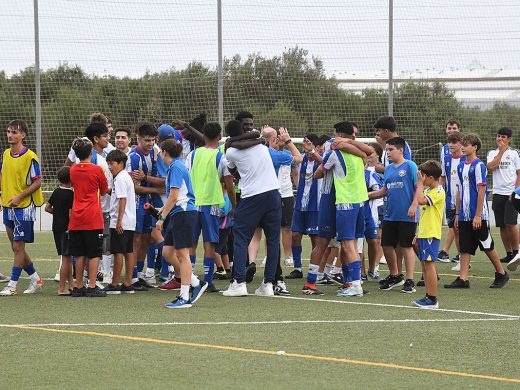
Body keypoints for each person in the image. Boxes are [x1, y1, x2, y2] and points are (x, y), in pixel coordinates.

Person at [222, 120, 282, 297]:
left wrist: (228, 144)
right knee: (272, 240)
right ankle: (268, 284)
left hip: (252, 196)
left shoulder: (231, 151)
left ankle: (239, 282)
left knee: (240, 237)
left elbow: (232, 170)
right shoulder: (262, 146)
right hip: (273, 194)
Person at [444, 134, 510, 289]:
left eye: (466, 145)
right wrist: (458, 214)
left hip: (477, 215)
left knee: (486, 244)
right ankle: (463, 278)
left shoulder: (479, 165)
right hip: (464, 216)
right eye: (463, 145)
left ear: (474, 147)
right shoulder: (461, 166)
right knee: (465, 246)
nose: (463, 147)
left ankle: (501, 273)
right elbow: (459, 190)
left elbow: (482, 191)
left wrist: (478, 215)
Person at [315, 125, 373, 297]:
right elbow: (368, 151)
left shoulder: (334, 152)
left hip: (345, 202)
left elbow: (319, 173)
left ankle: (355, 285)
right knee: (353, 244)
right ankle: (353, 282)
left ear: (338, 135)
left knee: (347, 245)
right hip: (360, 201)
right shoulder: (358, 156)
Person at [185, 122, 236, 293]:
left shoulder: (192, 155)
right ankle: (207, 281)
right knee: (210, 244)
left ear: (204, 136)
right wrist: (234, 206)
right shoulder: (221, 157)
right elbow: (229, 185)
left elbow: (185, 178)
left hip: (192, 204)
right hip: (211, 205)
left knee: (191, 243)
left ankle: (191, 280)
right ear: (220, 136)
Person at [156, 138, 207, 309]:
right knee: (167, 251)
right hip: (179, 212)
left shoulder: (176, 167)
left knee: (182, 255)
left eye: (160, 152)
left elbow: (174, 196)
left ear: (164, 152)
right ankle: (195, 282)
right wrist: (163, 208)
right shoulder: (175, 166)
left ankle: (184, 297)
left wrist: (162, 217)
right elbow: (175, 196)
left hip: (184, 213)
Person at [0, 120, 44, 296]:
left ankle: (12, 284)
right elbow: (3, 175)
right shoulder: (5, 154)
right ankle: (35, 278)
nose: (10, 135)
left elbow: (38, 181)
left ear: (23, 136)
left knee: (18, 246)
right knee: (16, 247)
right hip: (8, 206)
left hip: (23, 207)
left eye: (15, 132)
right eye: (9, 132)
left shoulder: (30, 157)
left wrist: (20, 196)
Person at [369, 137, 418, 293]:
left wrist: (414, 205)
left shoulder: (410, 166)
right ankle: (395, 275)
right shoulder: (388, 169)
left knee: (406, 246)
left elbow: (419, 188)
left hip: (407, 215)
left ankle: (410, 280)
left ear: (400, 150)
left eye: (390, 150)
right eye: (387, 150)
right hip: (390, 214)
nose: (388, 153)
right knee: (386, 245)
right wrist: (368, 195)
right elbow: (385, 190)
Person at [68, 137, 109, 297]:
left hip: (77, 218)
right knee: (94, 253)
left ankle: (78, 286)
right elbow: (104, 190)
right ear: (90, 152)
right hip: (93, 217)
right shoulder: (97, 169)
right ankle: (92, 285)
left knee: (79, 254)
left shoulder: (73, 170)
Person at [127, 122, 163, 288]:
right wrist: (155, 188)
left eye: (152, 140)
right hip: (136, 202)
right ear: (138, 139)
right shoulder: (134, 157)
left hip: (148, 201)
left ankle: (140, 274)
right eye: (147, 140)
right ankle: (133, 276)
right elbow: (135, 187)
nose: (150, 144)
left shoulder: (154, 153)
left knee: (147, 239)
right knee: (137, 239)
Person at [287, 133, 322, 279]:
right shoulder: (302, 158)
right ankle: (297, 268)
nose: (305, 145)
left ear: (316, 145)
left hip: (316, 205)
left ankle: (315, 270)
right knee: (295, 235)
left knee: (315, 238)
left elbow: (324, 165)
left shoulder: (322, 158)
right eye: (304, 142)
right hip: (301, 203)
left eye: (308, 142)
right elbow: (294, 166)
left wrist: (313, 152)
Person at [413, 161, 445, 308]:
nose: (421, 178)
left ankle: (432, 299)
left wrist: (419, 184)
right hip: (424, 232)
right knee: (425, 264)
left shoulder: (438, 191)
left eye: (423, 176)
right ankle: (428, 295)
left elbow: (419, 200)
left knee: (429, 264)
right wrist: (419, 233)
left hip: (432, 233)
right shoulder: (428, 191)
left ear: (431, 178)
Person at [104, 150, 137, 294]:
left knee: (117, 251)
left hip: (121, 221)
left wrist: (119, 221)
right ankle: (128, 282)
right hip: (130, 221)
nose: (110, 167)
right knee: (128, 251)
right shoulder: (125, 177)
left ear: (121, 164)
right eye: (108, 164)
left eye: (112, 164)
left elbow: (122, 199)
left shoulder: (120, 178)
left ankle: (115, 283)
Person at [486, 127, 520, 264]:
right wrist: (500, 152)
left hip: (511, 193)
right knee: (501, 225)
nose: (500, 139)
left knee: (510, 223)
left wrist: (516, 191)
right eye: (498, 136)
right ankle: (509, 253)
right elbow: (490, 167)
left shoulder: (515, 153)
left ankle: (517, 252)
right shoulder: (492, 153)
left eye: (503, 137)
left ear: (509, 139)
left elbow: (519, 173)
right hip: (498, 193)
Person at [45, 166, 74, 295]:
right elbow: (70, 215)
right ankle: (62, 288)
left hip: (56, 228)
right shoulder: (71, 194)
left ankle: (71, 285)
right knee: (66, 258)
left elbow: (47, 207)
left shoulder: (56, 191)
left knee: (66, 256)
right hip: (67, 229)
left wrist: (57, 214)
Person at [438, 132, 465, 264]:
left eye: (454, 142)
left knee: (462, 229)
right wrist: (437, 190)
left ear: (461, 144)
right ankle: (461, 258)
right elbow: (443, 178)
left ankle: (465, 259)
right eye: (449, 142)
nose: (450, 144)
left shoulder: (466, 160)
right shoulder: (446, 159)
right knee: (455, 228)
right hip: (450, 199)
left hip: (464, 200)